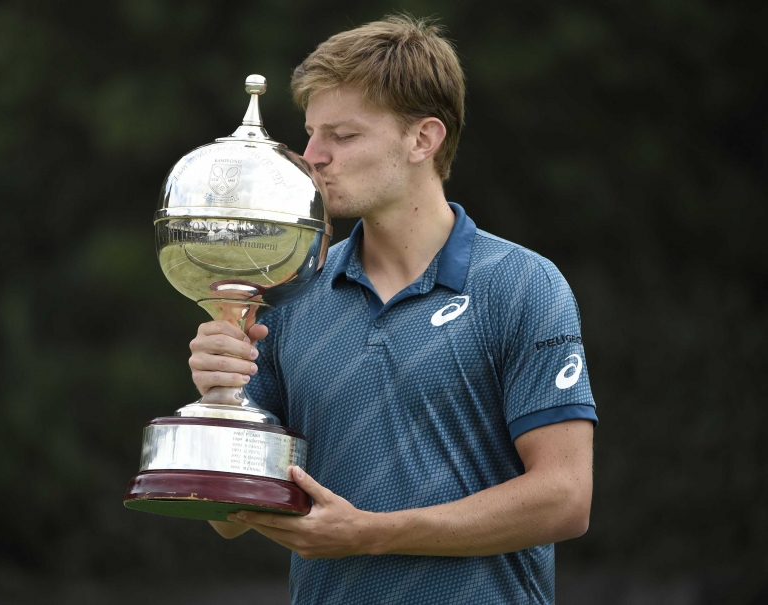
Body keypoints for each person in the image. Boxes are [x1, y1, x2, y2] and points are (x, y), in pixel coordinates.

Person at [188, 14, 597, 605]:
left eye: (343, 136)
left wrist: (372, 535)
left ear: (423, 139)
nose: (312, 156)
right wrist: (218, 396)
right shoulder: (289, 291)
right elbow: (227, 516)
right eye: (310, 133)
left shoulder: (522, 285)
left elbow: (565, 498)